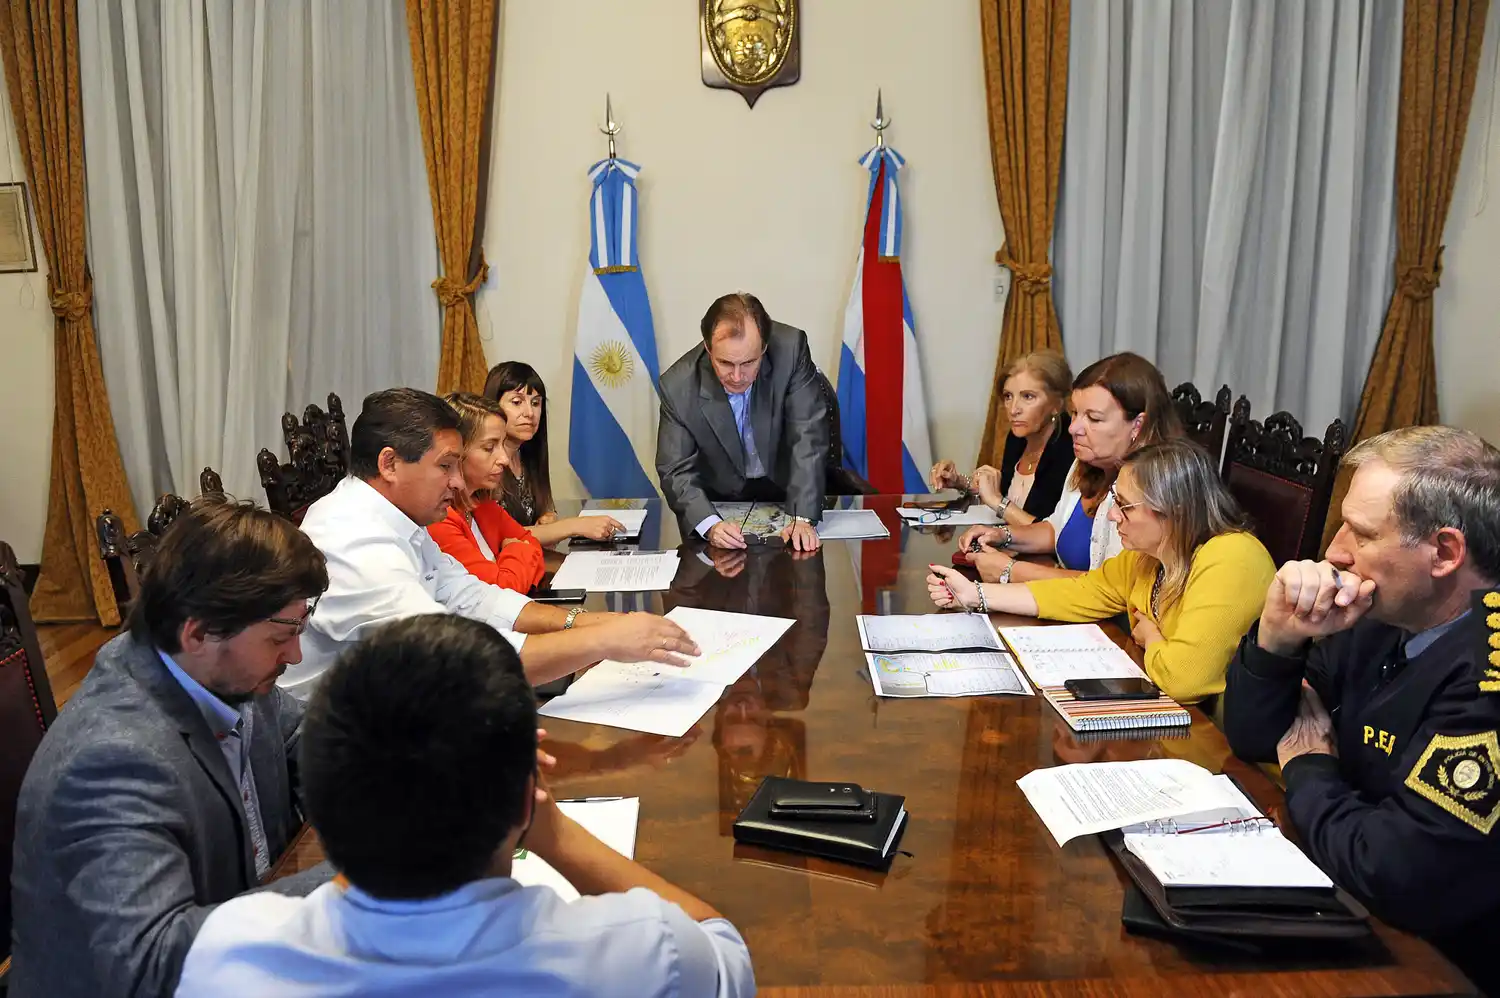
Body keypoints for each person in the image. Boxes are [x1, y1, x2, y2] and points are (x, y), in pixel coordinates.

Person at [175, 614, 757, 997]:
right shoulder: (640, 953)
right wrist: (550, 830)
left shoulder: (228, 959)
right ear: (523, 796)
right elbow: (725, 954)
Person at [9, 500, 333, 998]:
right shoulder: (112, 762)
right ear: (199, 631)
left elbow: (299, 736)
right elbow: (153, 965)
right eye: (280, 637)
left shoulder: (219, 671)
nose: (293, 655)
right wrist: (358, 881)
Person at [1221, 426, 1500, 992]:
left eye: (1364, 533)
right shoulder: (1383, 615)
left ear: (1444, 553)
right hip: (1340, 884)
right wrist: (1277, 640)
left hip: (1439, 963)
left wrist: (1308, 769)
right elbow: (1253, 735)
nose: (1335, 551)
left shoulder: (1486, 675)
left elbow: (1397, 874)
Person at [284, 388, 698, 699]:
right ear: (389, 464)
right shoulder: (354, 541)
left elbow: (469, 595)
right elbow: (454, 659)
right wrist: (604, 641)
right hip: (348, 749)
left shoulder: (397, 513)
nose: (459, 483)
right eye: (446, 466)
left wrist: (594, 622)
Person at [928, 439, 1273, 704]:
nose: (1111, 516)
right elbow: (1082, 592)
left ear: (1174, 510)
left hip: (1230, 750)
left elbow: (1185, 682)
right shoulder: (1149, 555)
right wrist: (976, 596)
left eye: (1124, 506)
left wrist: (1151, 637)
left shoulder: (1231, 559)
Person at [952, 351, 1180, 585]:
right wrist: (1003, 536)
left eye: (1093, 418)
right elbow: (1056, 529)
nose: (1073, 428)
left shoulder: (1151, 489)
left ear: (1137, 425)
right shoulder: (1085, 463)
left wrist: (1011, 570)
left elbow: (1113, 589)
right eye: (1075, 413)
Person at [656, 292, 829, 552]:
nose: (737, 376)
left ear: (765, 348)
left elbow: (808, 436)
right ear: (708, 348)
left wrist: (802, 518)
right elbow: (675, 470)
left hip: (786, 490)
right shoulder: (678, 386)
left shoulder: (791, 350)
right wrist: (710, 524)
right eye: (725, 363)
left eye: (749, 362)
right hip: (720, 500)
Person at [483, 360, 625, 546]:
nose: (529, 413)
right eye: (517, 402)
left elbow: (534, 521)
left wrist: (547, 519)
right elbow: (502, 537)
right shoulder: (485, 463)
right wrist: (571, 526)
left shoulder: (527, 454)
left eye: (536, 403)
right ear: (493, 405)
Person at [427, 392, 556, 593]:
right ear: (457, 453)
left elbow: (533, 546)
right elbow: (499, 592)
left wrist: (509, 563)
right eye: (489, 448)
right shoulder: (440, 520)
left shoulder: (482, 505)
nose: (504, 458)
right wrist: (515, 549)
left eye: (502, 445)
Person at [929, 350, 1075, 520]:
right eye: (1008, 396)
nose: (1013, 410)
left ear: (1057, 404)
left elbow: (1052, 535)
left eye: (1028, 397)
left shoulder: (1071, 449)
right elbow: (1009, 500)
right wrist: (959, 482)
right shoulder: (1017, 439)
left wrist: (996, 501)